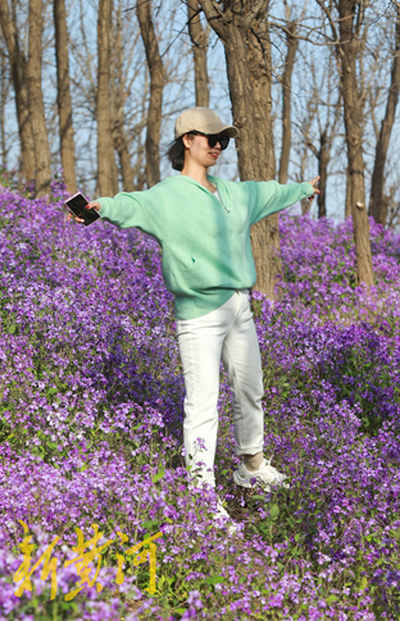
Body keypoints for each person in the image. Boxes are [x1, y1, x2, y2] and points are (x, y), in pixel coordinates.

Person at [69, 107, 320, 524]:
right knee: (203, 404)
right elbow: (130, 205)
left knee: (249, 389)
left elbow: (268, 193)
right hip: (198, 314)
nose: (218, 146)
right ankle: (202, 495)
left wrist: (301, 189)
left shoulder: (233, 193)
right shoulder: (167, 197)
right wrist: (99, 208)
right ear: (187, 140)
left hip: (240, 305)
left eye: (224, 140)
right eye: (211, 138)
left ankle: (251, 467)